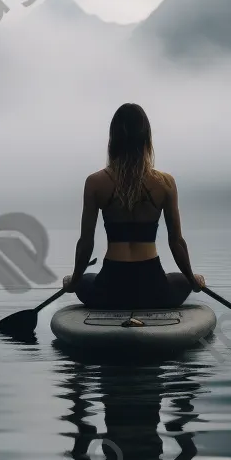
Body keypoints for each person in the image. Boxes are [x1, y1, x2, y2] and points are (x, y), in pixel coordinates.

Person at [63, 103, 205, 310]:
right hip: (152, 286)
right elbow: (176, 241)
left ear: (113, 139)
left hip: (110, 286)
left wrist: (74, 280)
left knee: (85, 279)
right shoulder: (165, 183)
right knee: (180, 279)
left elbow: (86, 242)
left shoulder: (94, 182)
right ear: (147, 139)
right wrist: (192, 279)